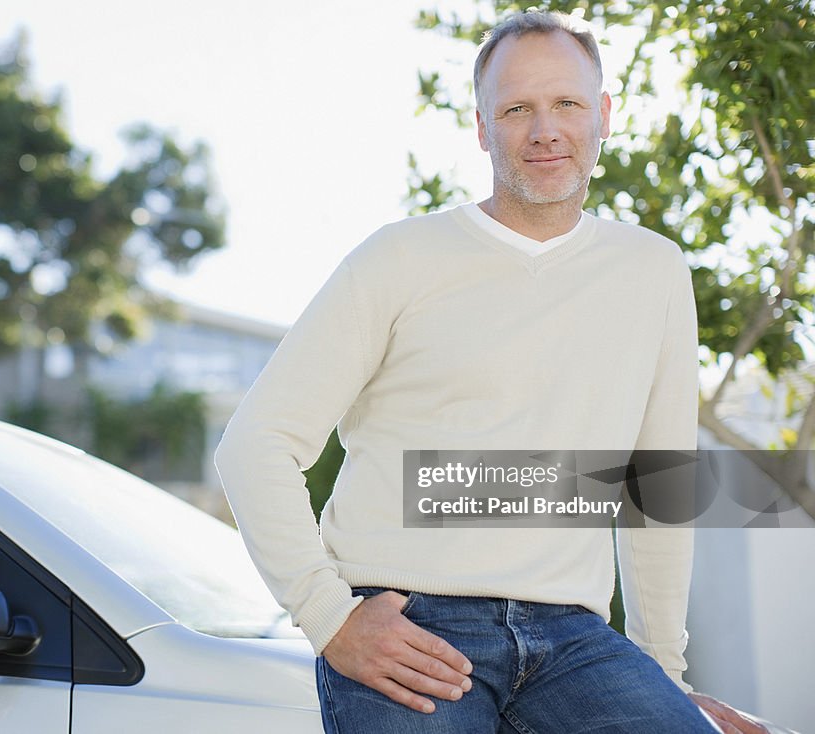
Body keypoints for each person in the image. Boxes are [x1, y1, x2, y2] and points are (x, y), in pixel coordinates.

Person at [215, 10, 767, 734]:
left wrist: (659, 679)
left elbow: (654, 484)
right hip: (411, 625)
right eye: (517, 109)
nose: (545, 131)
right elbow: (255, 443)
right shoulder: (399, 258)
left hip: (575, 643)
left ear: (602, 114)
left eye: (567, 103)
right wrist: (331, 618)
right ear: (482, 127)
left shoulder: (653, 271)